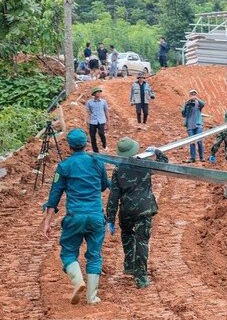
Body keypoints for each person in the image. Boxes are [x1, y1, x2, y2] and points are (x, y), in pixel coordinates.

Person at [41, 128, 110, 305]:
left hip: (75, 217)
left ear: (69, 147)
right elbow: (104, 185)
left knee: (68, 253)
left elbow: (54, 196)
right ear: (86, 143)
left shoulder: (64, 166)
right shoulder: (97, 163)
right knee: (94, 255)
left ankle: (78, 281)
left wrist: (47, 222)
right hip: (95, 216)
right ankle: (92, 297)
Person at [106, 138, 167, 289]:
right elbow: (164, 164)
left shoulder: (118, 170)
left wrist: (110, 218)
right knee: (142, 241)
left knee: (127, 234)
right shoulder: (143, 164)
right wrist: (157, 151)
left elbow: (114, 195)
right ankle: (141, 277)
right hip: (144, 208)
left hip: (126, 210)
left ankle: (129, 265)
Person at [181, 89, 205, 163]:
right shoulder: (187, 103)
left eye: (194, 94)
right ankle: (192, 158)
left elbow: (203, 104)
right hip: (190, 125)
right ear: (189, 95)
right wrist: (187, 103)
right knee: (192, 142)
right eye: (192, 94)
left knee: (199, 141)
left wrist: (196, 99)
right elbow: (183, 113)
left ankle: (201, 157)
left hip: (198, 124)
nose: (193, 95)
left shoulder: (199, 103)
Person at [86, 87, 109, 153]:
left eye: (99, 92)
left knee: (101, 133)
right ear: (94, 94)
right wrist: (87, 121)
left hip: (101, 120)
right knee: (92, 136)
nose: (99, 93)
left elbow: (106, 111)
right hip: (93, 121)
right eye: (97, 92)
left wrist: (108, 121)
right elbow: (88, 112)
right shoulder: (89, 102)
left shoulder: (103, 102)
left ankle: (104, 146)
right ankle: (95, 151)